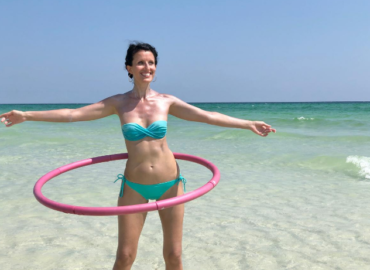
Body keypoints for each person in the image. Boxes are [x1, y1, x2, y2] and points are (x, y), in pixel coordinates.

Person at [0, 42, 276, 270]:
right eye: (141, 62)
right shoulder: (117, 103)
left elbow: (208, 117)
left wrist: (247, 123)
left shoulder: (167, 101)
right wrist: (26, 115)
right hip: (134, 185)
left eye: (152, 62)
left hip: (171, 183)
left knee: (174, 256)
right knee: (125, 257)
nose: (147, 67)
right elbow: (73, 115)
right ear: (129, 68)